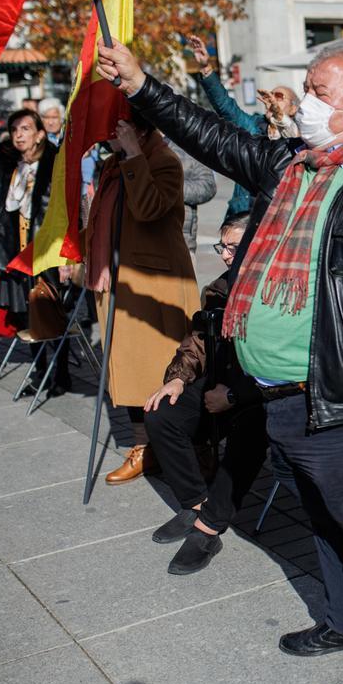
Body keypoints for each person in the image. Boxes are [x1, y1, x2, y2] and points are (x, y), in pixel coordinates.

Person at [98, 37, 343, 684]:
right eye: (310, 89)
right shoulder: (292, 165)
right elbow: (213, 135)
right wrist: (143, 83)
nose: (307, 102)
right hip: (276, 396)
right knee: (321, 522)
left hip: (342, 401)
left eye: (321, 92)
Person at [143, 214, 268, 575]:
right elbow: (199, 339)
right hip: (219, 380)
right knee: (161, 411)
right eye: (222, 246)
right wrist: (178, 378)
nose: (226, 255)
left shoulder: (274, 289)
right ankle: (195, 503)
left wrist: (234, 396)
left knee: (249, 432)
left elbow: (279, 364)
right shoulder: (219, 288)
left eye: (234, 247)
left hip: (260, 393)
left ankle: (209, 528)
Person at [88, 112, 200, 486]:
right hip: (119, 279)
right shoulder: (111, 163)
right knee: (129, 370)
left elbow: (149, 209)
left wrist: (134, 155)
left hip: (155, 285)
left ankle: (174, 448)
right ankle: (143, 447)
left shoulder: (163, 161)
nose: (112, 134)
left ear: (141, 130)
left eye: (122, 128)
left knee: (159, 370)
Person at [0, 109, 71, 394]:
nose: (18, 135)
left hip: (47, 248)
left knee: (52, 310)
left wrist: (68, 257)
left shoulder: (55, 162)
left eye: (25, 129)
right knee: (24, 314)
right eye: (15, 130)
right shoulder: (11, 161)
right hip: (17, 250)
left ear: (40, 134)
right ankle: (40, 371)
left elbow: (68, 209)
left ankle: (60, 375)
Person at [188, 36, 300, 219]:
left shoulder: (300, 135)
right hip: (243, 214)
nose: (271, 99)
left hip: (277, 217)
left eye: (279, 96)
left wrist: (280, 118)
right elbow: (225, 105)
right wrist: (206, 68)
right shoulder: (253, 126)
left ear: (294, 108)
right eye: (270, 95)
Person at [169, 139, 217, 253]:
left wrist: (171, 188)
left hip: (182, 239)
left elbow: (208, 186)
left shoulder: (187, 146)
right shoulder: (139, 145)